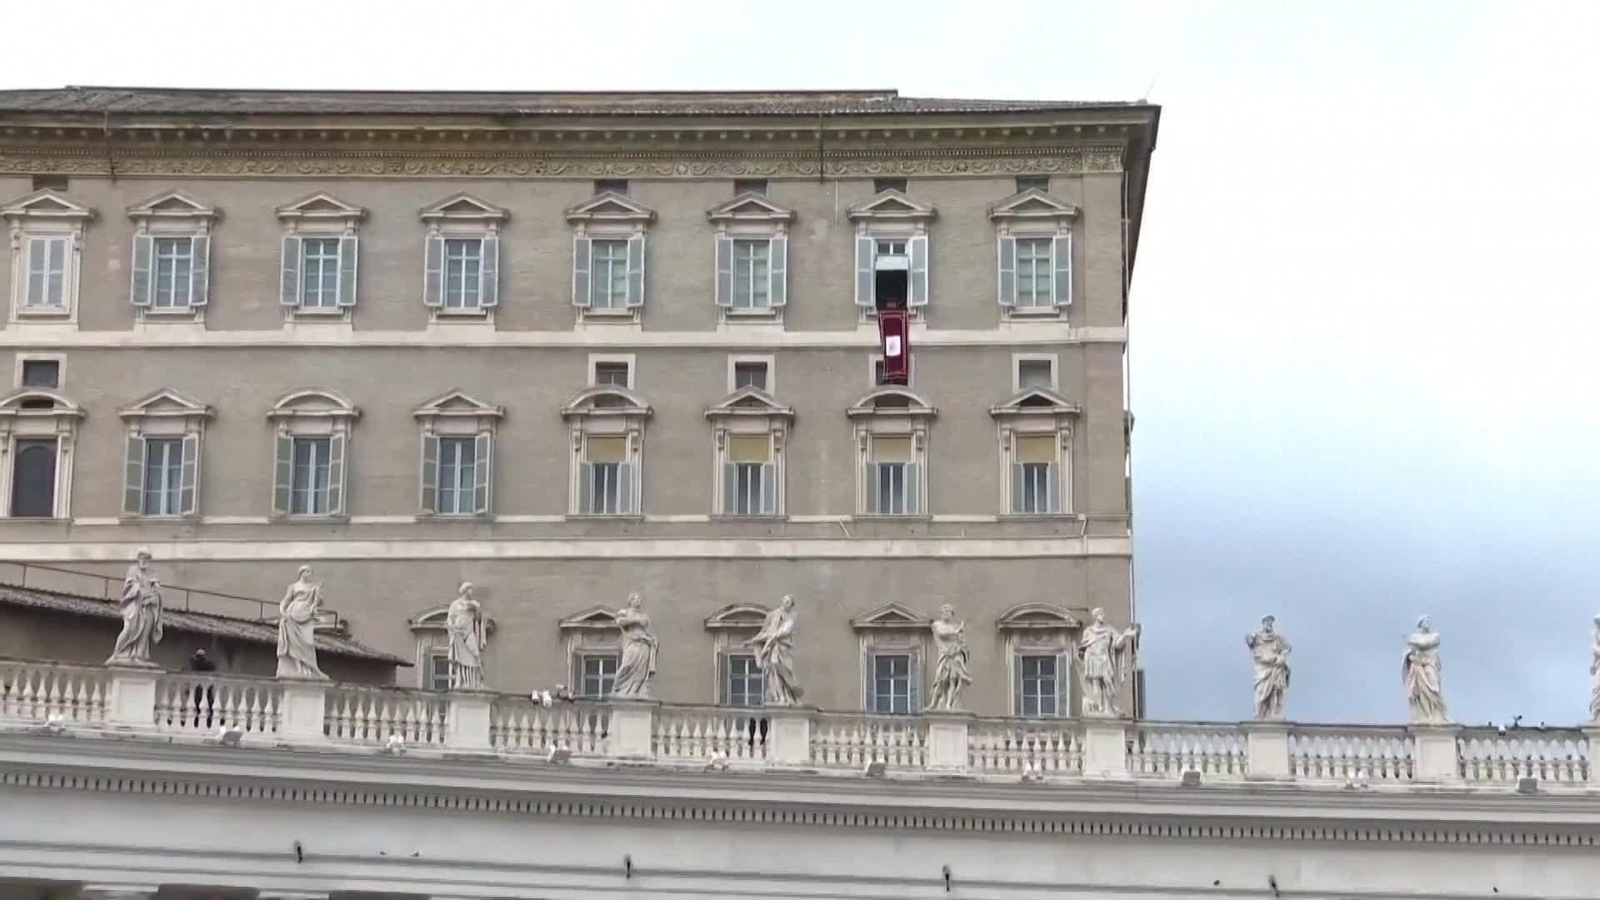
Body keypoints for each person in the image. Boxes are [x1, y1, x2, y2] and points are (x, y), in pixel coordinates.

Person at [1075, 607, 1140, 717]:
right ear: (1096, 616)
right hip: (1092, 657)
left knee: (1108, 682)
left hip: (1105, 659)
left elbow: (1118, 644)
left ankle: (1108, 707)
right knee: (1096, 682)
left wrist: (1125, 635)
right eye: (1101, 614)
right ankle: (1099, 707)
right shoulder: (1088, 631)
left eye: (1103, 614)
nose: (1103, 616)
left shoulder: (1109, 630)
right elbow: (1083, 646)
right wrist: (1080, 654)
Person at [107, 548, 163, 666]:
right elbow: (130, 585)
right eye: (141, 558)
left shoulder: (152, 574)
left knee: (144, 632)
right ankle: (116, 654)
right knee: (128, 629)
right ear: (138, 559)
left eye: (146, 558)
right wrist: (140, 590)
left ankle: (138, 655)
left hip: (147, 607)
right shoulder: (133, 570)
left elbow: (157, 590)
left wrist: (155, 594)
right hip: (135, 606)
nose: (144, 561)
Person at [746, 595, 803, 706]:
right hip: (775, 648)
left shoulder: (791, 619)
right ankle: (780, 696)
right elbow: (767, 632)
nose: (785, 604)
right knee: (774, 669)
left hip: (784, 648)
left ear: (791, 605)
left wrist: (766, 644)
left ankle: (789, 693)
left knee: (782, 668)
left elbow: (779, 633)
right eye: (784, 601)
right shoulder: (774, 615)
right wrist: (754, 640)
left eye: (788, 602)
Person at [276, 566, 327, 679]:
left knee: (308, 643)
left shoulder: (313, 587)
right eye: (307, 571)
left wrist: (318, 594)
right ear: (301, 573)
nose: (309, 574)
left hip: (306, 616)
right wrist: (282, 610)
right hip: (293, 613)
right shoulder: (293, 587)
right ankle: (298, 668)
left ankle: (309, 667)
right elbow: (286, 600)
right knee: (294, 643)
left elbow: (320, 602)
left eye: (310, 572)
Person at [610, 593, 658, 698]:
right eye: (636, 599)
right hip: (632, 643)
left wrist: (653, 640)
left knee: (641, 672)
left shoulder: (644, 616)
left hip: (644, 645)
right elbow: (620, 621)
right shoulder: (624, 612)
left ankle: (636, 691)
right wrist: (636, 620)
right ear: (630, 601)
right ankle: (617, 688)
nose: (638, 601)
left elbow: (648, 631)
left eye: (640, 599)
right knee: (627, 665)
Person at [1245, 615, 1292, 720]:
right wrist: (1250, 637)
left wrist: (1282, 657)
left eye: (1270, 621)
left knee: (1275, 690)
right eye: (1267, 621)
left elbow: (1287, 647)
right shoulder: (1258, 636)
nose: (1269, 623)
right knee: (1261, 691)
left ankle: (1274, 714)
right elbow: (1249, 641)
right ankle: (1259, 714)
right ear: (1263, 623)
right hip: (1263, 666)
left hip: (1275, 665)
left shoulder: (1277, 637)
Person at [926, 604, 972, 711]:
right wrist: (957, 631)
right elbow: (942, 634)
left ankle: (949, 704)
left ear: (952, 614)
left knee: (953, 680)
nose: (946, 613)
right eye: (943, 611)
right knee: (940, 680)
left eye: (948, 611)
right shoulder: (937, 625)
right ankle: (934, 703)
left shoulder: (955, 627)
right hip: (944, 655)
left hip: (955, 656)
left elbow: (962, 642)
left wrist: (960, 648)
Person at [1403, 615, 1447, 724]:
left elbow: (1428, 644)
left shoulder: (1434, 636)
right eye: (1425, 621)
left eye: (1429, 621)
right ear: (1420, 624)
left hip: (1430, 665)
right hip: (1418, 667)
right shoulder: (1415, 637)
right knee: (1421, 691)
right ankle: (1427, 715)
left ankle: (1437, 712)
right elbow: (1409, 652)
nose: (1428, 623)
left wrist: (1412, 642)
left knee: (1434, 688)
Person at [446, 582, 487, 690]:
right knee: (459, 657)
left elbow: (479, 619)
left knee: (475, 654)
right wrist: (452, 627)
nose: (471, 592)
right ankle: (461, 680)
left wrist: (476, 609)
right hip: (458, 632)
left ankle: (476, 681)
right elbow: (450, 619)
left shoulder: (474, 604)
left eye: (472, 589)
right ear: (464, 590)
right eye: (469, 589)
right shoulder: (455, 604)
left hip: (469, 632)